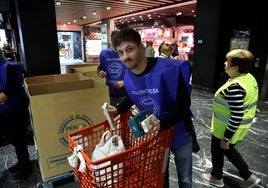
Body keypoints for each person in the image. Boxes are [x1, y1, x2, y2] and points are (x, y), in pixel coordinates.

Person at [108, 28, 193, 188]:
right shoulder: (127, 75)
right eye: (120, 53)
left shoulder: (170, 70)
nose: (125, 57)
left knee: (185, 178)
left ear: (141, 47)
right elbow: (133, 95)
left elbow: (183, 104)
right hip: (156, 136)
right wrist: (118, 109)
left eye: (129, 49)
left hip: (179, 130)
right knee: (161, 176)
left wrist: (163, 124)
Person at [201, 49, 261, 188]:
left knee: (220, 150)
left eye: (228, 62)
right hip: (239, 126)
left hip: (226, 128)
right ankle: (247, 176)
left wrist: (226, 137)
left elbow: (237, 114)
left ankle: (217, 177)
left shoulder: (235, 87)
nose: (225, 63)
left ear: (235, 68)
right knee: (227, 150)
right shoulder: (248, 78)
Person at [159, 42, 200, 153]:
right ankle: (194, 144)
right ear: (168, 51)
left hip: (165, 101)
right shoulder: (172, 63)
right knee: (185, 119)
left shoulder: (160, 62)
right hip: (175, 99)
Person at [0, 47, 32, 183]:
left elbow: (7, 93)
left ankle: (26, 167)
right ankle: (21, 162)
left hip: (15, 111)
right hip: (4, 112)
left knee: (19, 140)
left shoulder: (10, 68)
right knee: (13, 140)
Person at [97, 30, 128, 106]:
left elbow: (136, 73)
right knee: (111, 116)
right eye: (115, 42)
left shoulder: (127, 54)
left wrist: (124, 82)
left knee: (124, 116)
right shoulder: (104, 54)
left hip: (125, 93)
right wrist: (100, 72)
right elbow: (100, 68)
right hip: (109, 92)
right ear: (111, 40)